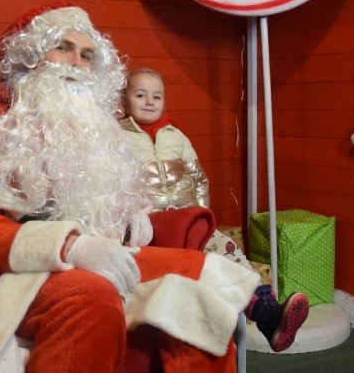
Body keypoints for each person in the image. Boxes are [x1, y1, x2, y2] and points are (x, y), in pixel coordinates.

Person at [0, 2, 260, 373]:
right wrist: (69, 247)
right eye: (63, 48)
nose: (77, 62)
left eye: (87, 54)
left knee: (197, 281)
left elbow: (110, 204)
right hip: (11, 275)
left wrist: (129, 215)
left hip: (99, 259)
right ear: (30, 54)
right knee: (89, 295)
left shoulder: (95, 128)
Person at [120, 67, 310, 352]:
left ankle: (268, 314)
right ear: (125, 100)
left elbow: (198, 179)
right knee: (196, 266)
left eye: (156, 96)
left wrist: (202, 216)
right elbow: (112, 185)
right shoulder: (118, 138)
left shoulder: (177, 137)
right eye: (140, 95)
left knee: (227, 247)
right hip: (148, 227)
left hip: (188, 220)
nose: (150, 101)